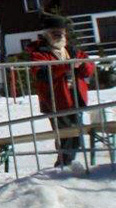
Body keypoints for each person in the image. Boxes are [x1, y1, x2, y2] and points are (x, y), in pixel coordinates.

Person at [27, 16, 95, 167]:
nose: (59, 36)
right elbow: (41, 73)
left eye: (61, 33)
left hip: (76, 98)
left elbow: (89, 68)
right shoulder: (38, 53)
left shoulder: (72, 50)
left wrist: (81, 65)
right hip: (55, 100)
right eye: (55, 33)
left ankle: (65, 165)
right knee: (65, 135)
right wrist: (66, 66)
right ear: (46, 34)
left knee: (76, 136)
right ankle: (63, 166)